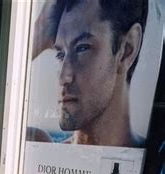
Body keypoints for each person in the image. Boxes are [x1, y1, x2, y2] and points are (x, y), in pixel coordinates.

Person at [28, 0, 148, 147]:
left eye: (82, 48)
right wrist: (39, 32)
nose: (63, 78)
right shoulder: (41, 149)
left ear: (127, 49)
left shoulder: (156, 164)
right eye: (60, 54)